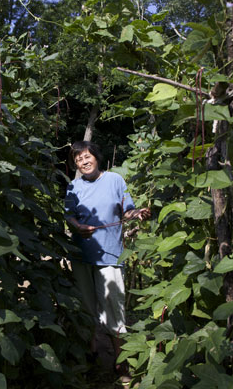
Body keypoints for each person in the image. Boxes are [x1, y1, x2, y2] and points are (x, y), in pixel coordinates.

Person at [64, 141, 150, 382]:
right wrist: (78, 226)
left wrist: (138, 213)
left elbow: (128, 210)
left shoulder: (115, 180)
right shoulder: (73, 187)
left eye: (87, 156)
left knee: (114, 309)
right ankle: (92, 355)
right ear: (75, 164)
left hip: (109, 255)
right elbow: (69, 215)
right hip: (81, 256)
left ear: (96, 157)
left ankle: (121, 362)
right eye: (79, 159)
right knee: (87, 308)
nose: (84, 161)